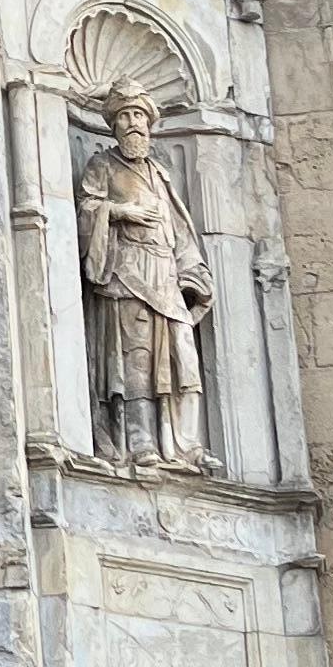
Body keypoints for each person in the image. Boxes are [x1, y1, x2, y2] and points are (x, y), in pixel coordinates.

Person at [75, 91, 215, 464]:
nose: (133, 122)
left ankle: (186, 446)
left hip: (164, 277)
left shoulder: (159, 173)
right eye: (125, 115)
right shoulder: (102, 165)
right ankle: (141, 444)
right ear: (114, 124)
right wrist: (120, 212)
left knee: (180, 355)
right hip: (126, 275)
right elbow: (87, 209)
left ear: (150, 124)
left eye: (139, 114)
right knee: (135, 360)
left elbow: (180, 230)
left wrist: (192, 273)